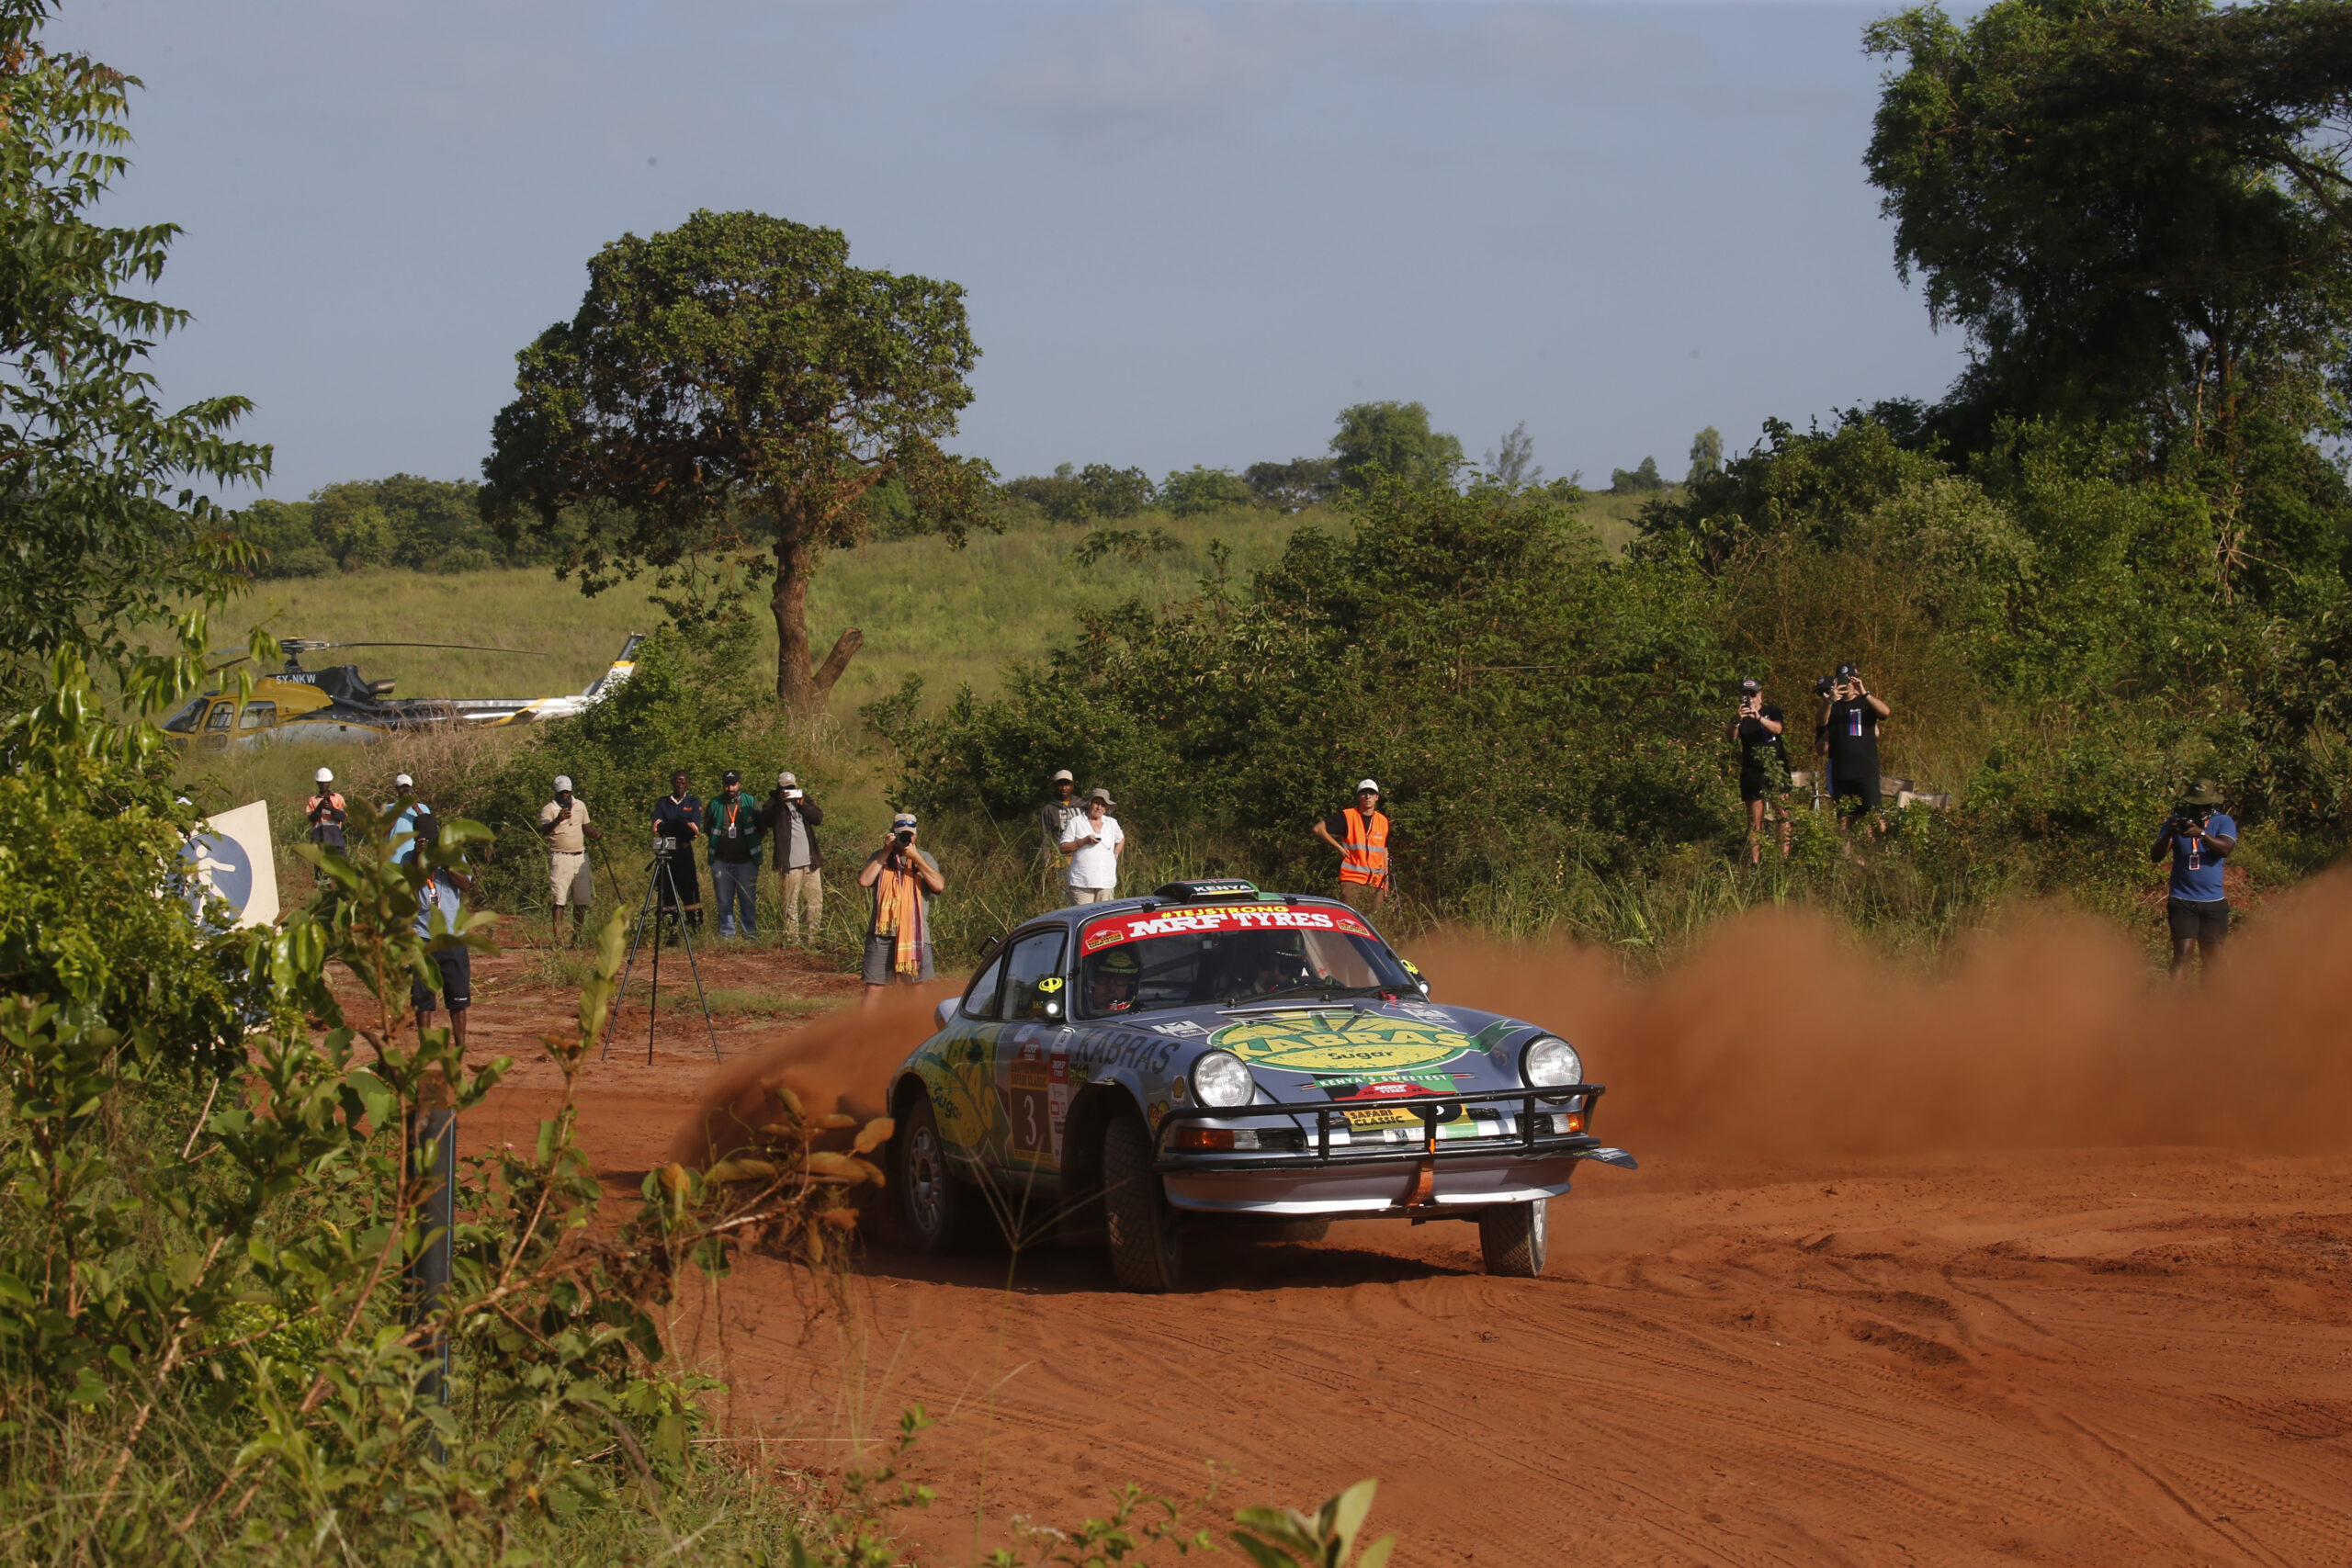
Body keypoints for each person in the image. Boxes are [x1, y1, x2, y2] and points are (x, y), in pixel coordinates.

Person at [2151, 779, 2237, 978]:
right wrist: (2168, 834)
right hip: (2182, 900)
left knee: (2213, 960)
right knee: (2182, 956)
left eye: (2204, 806)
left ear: (2212, 804)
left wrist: (2202, 834)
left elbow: (2226, 849)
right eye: (2195, 806)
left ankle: (2208, 997)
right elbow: (2156, 856)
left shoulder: (2223, 821)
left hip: (2213, 902)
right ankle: (2174, 998)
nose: (2199, 810)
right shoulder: (2175, 822)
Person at [409, 807, 476, 1057]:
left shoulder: (454, 856)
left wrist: (448, 867)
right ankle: (425, 1047)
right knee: (422, 997)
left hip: (452, 937)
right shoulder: (409, 859)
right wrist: (419, 858)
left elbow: (466, 885)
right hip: (422, 937)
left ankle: (460, 1046)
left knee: (458, 997)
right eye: (422, 840)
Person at [857, 812, 944, 1004]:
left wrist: (916, 858)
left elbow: (938, 886)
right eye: (902, 834)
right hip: (882, 933)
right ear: (892, 833)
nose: (906, 838)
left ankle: (913, 1022)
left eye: (909, 834)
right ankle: (866, 1024)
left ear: (916, 835)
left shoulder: (925, 857)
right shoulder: (879, 856)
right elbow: (864, 881)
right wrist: (885, 852)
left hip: (915, 933)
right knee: (873, 988)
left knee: (915, 988)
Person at [1818, 664, 1892, 839]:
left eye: (1850, 681)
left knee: (1875, 816)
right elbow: (1821, 722)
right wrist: (1830, 701)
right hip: (1841, 773)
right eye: (1843, 681)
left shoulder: (1865, 703)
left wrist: (1864, 692)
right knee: (1844, 821)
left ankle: (1884, 851)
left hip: (1866, 771)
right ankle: (1849, 855)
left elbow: (1885, 712)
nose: (1847, 685)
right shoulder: (1833, 705)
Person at [1728, 678, 1792, 864]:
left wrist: (1759, 718)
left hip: (1776, 769)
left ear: (1760, 695)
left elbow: (1778, 729)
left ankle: (1784, 859)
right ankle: (1755, 863)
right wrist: (1737, 720)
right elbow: (1731, 738)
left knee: (1783, 814)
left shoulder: (1772, 710)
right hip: (1752, 771)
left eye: (1753, 694)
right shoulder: (1740, 717)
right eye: (1745, 694)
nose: (1750, 698)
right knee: (1755, 820)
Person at [537, 774, 603, 945]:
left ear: (571, 790)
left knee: (582, 899)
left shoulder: (580, 805)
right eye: (562, 792)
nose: (565, 795)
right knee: (559, 898)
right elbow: (544, 830)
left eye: (567, 792)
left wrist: (594, 834)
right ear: (556, 792)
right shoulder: (549, 809)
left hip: (580, 856)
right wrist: (558, 819)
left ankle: (577, 935)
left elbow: (586, 828)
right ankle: (558, 938)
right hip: (561, 857)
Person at [764, 771, 825, 944]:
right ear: (779, 788)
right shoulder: (772, 804)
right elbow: (766, 820)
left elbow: (818, 818)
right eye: (785, 788)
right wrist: (779, 802)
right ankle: (792, 940)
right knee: (790, 903)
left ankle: (812, 939)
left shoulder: (803, 798)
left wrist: (803, 804)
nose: (788, 791)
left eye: (791, 787)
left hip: (810, 862)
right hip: (789, 863)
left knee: (814, 902)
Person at [1313, 780, 1392, 911]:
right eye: (1364, 793)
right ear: (1358, 797)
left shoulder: (1383, 821)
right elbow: (1318, 828)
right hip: (1352, 879)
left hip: (1377, 882)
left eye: (1371, 793)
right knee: (1349, 918)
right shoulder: (1348, 816)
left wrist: (1386, 879)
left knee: (1374, 919)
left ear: (1377, 797)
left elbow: (1384, 851)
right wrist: (1338, 847)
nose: (1368, 796)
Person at [704, 769, 763, 939]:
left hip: (746, 862)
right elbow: (707, 828)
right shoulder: (715, 804)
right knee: (724, 901)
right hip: (721, 861)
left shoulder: (750, 802)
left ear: (739, 784)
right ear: (723, 785)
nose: (730, 788)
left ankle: (750, 935)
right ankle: (727, 935)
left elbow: (762, 827)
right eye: (727, 785)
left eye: (733, 784)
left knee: (748, 900)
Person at [650, 770, 704, 933]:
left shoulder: (693, 802)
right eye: (677, 781)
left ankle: (695, 928)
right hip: (666, 853)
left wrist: (669, 825)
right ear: (672, 783)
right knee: (666, 891)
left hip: (684, 854)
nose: (680, 785)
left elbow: (694, 829)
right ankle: (670, 931)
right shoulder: (663, 803)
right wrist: (682, 823)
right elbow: (657, 826)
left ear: (688, 784)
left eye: (683, 782)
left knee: (690, 891)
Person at [1059, 787, 1126, 904]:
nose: (1099, 807)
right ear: (1090, 803)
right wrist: (1083, 841)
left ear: (1106, 807)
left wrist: (1115, 854)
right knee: (1084, 915)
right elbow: (1063, 848)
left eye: (1103, 805)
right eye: (1096, 803)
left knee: (1105, 915)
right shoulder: (1076, 822)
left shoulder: (1111, 823)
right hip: (1082, 883)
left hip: (1106, 883)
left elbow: (1121, 839)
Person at [1038, 769, 1082, 885]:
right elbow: (1045, 838)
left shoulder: (1082, 806)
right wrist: (1047, 865)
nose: (1063, 788)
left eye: (1067, 784)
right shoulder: (1049, 809)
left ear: (1073, 785)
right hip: (1060, 863)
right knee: (1064, 893)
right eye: (1060, 784)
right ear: (1055, 786)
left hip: (1082, 860)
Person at [304, 766, 348, 874]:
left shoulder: (338, 798)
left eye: (326, 783)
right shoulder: (313, 800)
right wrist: (319, 807)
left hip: (336, 839)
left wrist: (332, 809)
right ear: (317, 783)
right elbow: (311, 818)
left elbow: (342, 816)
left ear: (330, 783)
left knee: (343, 870)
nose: (324, 785)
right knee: (321, 872)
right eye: (321, 783)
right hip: (319, 839)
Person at [1087, 944, 1140, 1013]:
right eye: (1104, 977)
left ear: (1130, 987)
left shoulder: (1144, 1016)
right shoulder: (1075, 1011)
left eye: (1119, 979)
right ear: (1092, 982)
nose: (1111, 988)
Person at [386, 772, 424, 863]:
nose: (405, 790)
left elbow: (428, 826)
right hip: (395, 858)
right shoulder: (388, 809)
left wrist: (416, 808)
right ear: (396, 789)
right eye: (402, 787)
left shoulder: (423, 808)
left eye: (407, 787)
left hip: (416, 858)